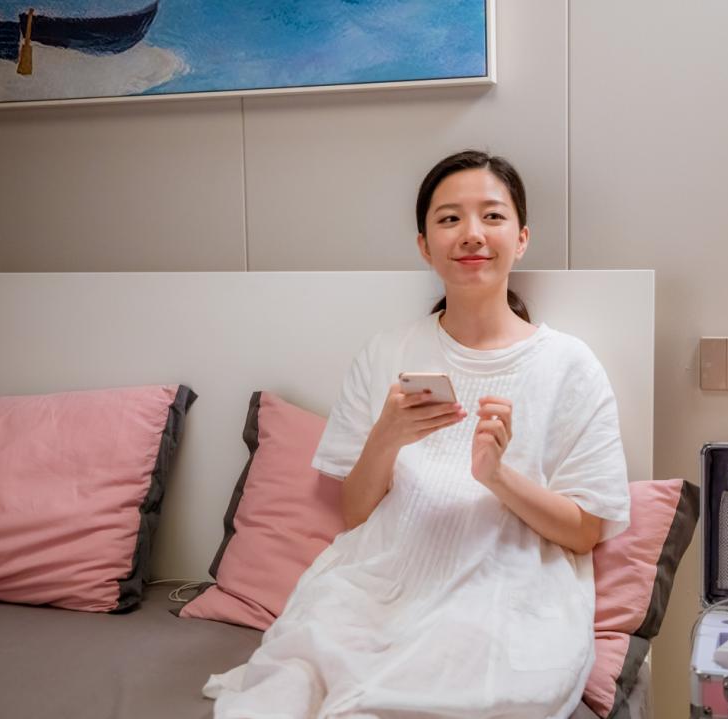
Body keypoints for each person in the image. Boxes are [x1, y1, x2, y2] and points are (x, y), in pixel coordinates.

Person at [203, 150, 631, 718]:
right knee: (300, 678)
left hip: (504, 589)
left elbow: (585, 532)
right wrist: (387, 436)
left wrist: (496, 477)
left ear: (522, 238)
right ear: (425, 246)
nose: (472, 233)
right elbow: (355, 515)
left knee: (462, 687)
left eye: (492, 216)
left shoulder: (570, 366)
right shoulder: (387, 352)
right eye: (450, 218)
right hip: (380, 581)